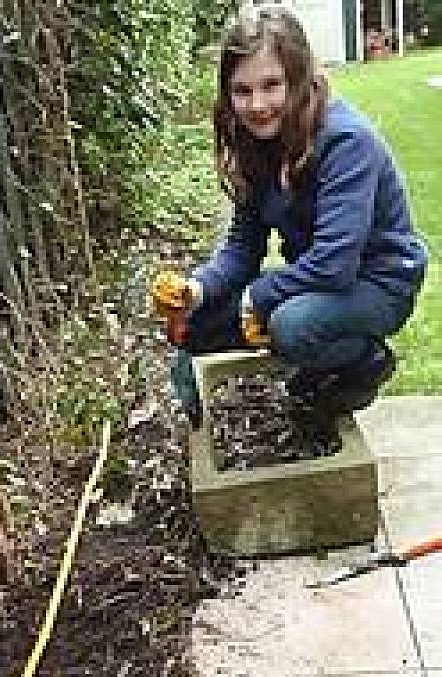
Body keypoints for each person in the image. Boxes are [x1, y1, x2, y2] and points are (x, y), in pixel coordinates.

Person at [152, 4, 428, 428]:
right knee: (200, 324)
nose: (257, 104)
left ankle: (364, 362)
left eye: (271, 85)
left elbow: (334, 266)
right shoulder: (255, 141)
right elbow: (244, 246)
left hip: (379, 282)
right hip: (319, 276)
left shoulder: (346, 142)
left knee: (291, 326)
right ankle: (315, 366)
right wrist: (197, 290)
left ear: (298, 80)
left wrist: (256, 297)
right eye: (242, 90)